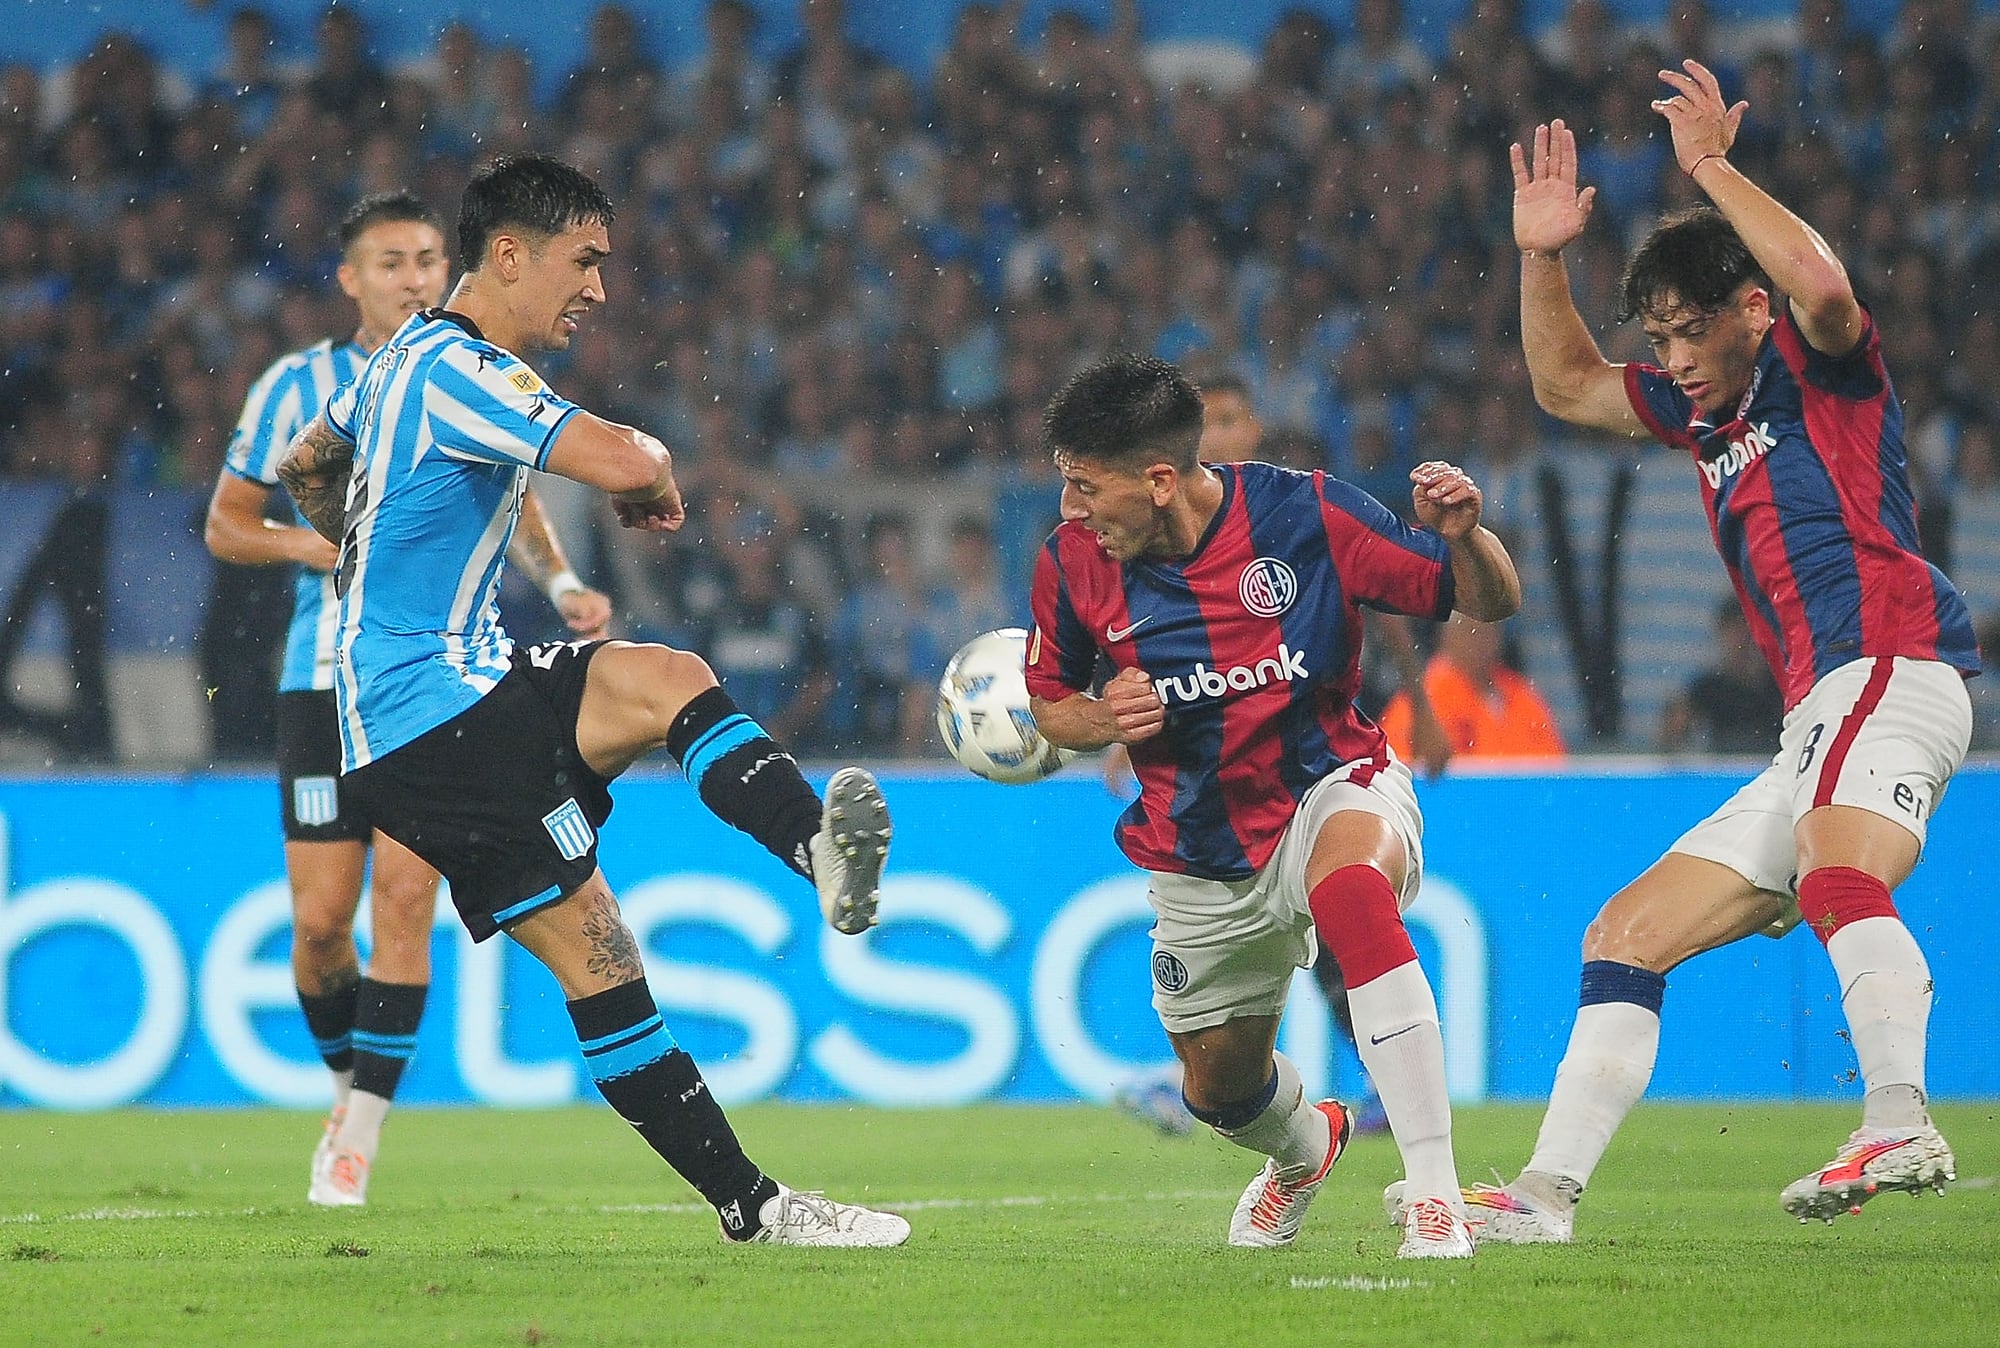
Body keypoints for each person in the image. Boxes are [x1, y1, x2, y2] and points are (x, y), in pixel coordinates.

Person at [277, 153, 906, 1247]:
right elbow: (620, 461)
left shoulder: (395, 363)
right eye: (585, 261)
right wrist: (655, 471)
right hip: (425, 717)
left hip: (452, 681)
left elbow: (305, 459)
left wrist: (355, 544)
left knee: (664, 677)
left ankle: (818, 853)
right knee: (600, 955)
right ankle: (754, 1208)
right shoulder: (468, 369)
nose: (599, 288)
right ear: (509, 254)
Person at [1414, 62, 1980, 1241]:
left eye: (1688, 329)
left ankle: (1895, 1115)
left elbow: (1821, 281)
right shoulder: (1700, 412)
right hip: (1814, 715)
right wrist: (1539, 255)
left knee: (1835, 876)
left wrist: (1712, 169)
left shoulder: (1817, 367)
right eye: (1658, 335)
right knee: (1625, 934)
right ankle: (1540, 1199)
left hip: (1884, 658)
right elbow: (1567, 383)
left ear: (1748, 312)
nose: (1669, 355)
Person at [1026, 353, 1522, 1259]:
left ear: (1160, 480)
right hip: (1198, 851)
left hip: (1329, 786)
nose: (1071, 510)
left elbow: (1489, 597)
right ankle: (1304, 1151)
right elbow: (1051, 704)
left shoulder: (1305, 515)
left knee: (1351, 895)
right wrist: (1102, 717)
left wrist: (1464, 537)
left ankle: (1436, 1196)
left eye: (1085, 487)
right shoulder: (1070, 565)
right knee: (1217, 1091)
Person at [204, 190, 614, 1206]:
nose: (413, 277)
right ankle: (351, 1081)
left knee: (402, 901)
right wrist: (325, 544)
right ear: (350, 279)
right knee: (317, 923)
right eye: (389, 261)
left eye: (427, 258)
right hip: (319, 681)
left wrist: (561, 585)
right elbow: (226, 524)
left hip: (430, 684)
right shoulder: (300, 384)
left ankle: (358, 1134)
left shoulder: (476, 369)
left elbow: (511, 492)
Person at [1106, 371, 1451, 1140]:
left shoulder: (1290, 513)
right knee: (1262, 949)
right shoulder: (1151, 542)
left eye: (1234, 418)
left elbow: (1378, 604)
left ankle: (1389, 1085)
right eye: (1212, 420)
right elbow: (1139, 642)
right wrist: (1120, 730)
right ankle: (1260, 1090)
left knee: (1338, 914)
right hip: (1216, 784)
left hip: (1309, 762)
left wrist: (1421, 705)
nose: (1224, 433)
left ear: (1254, 427)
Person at [1378, 612, 1565, 761]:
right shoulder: (1423, 700)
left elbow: (1552, 763)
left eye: (1489, 631)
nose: (1482, 642)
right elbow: (1400, 768)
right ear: (1446, 638)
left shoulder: (1519, 693)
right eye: (1471, 632)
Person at [1657, 596, 1783, 754]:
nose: (1745, 639)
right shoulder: (1709, 688)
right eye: (1737, 630)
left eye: (1749, 629)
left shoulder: (1783, 686)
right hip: (1723, 771)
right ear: (1723, 634)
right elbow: (1669, 739)